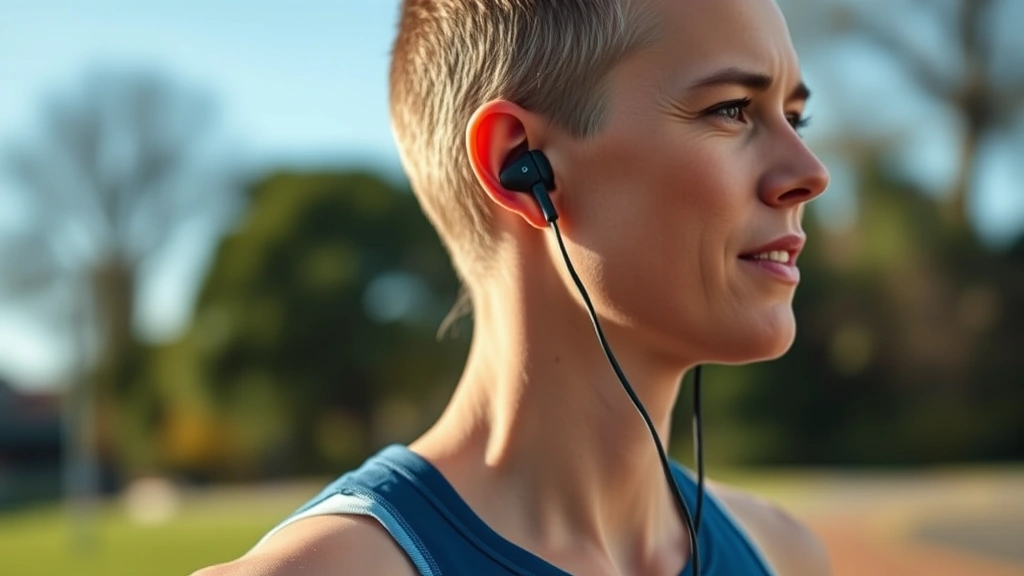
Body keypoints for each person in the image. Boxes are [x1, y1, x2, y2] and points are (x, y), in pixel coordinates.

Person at [194, 0, 831, 574]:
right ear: (521, 165)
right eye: (731, 110)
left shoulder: (783, 555)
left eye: (795, 118)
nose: (810, 173)